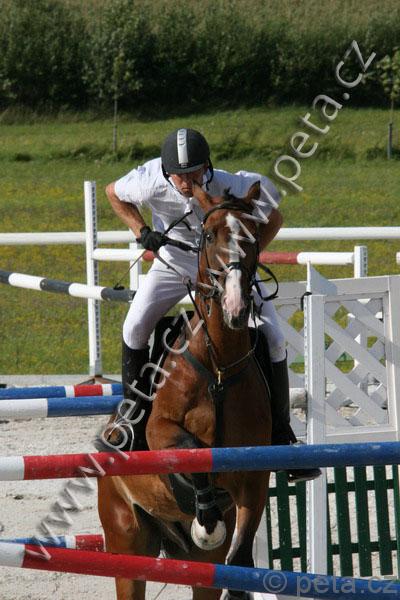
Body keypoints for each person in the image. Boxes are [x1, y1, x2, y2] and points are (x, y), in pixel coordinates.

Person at [105, 128, 320, 483]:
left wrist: (247, 259)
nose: (187, 182)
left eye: (194, 173)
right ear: (165, 170)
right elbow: (113, 193)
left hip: (225, 269)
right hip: (175, 262)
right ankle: (133, 420)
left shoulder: (232, 184)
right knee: (134, 327)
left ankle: (282, 434)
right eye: (179, 175)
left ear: (207, 166)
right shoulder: (148, 180)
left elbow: (275, 217)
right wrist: (141, 231)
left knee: (274, 336)